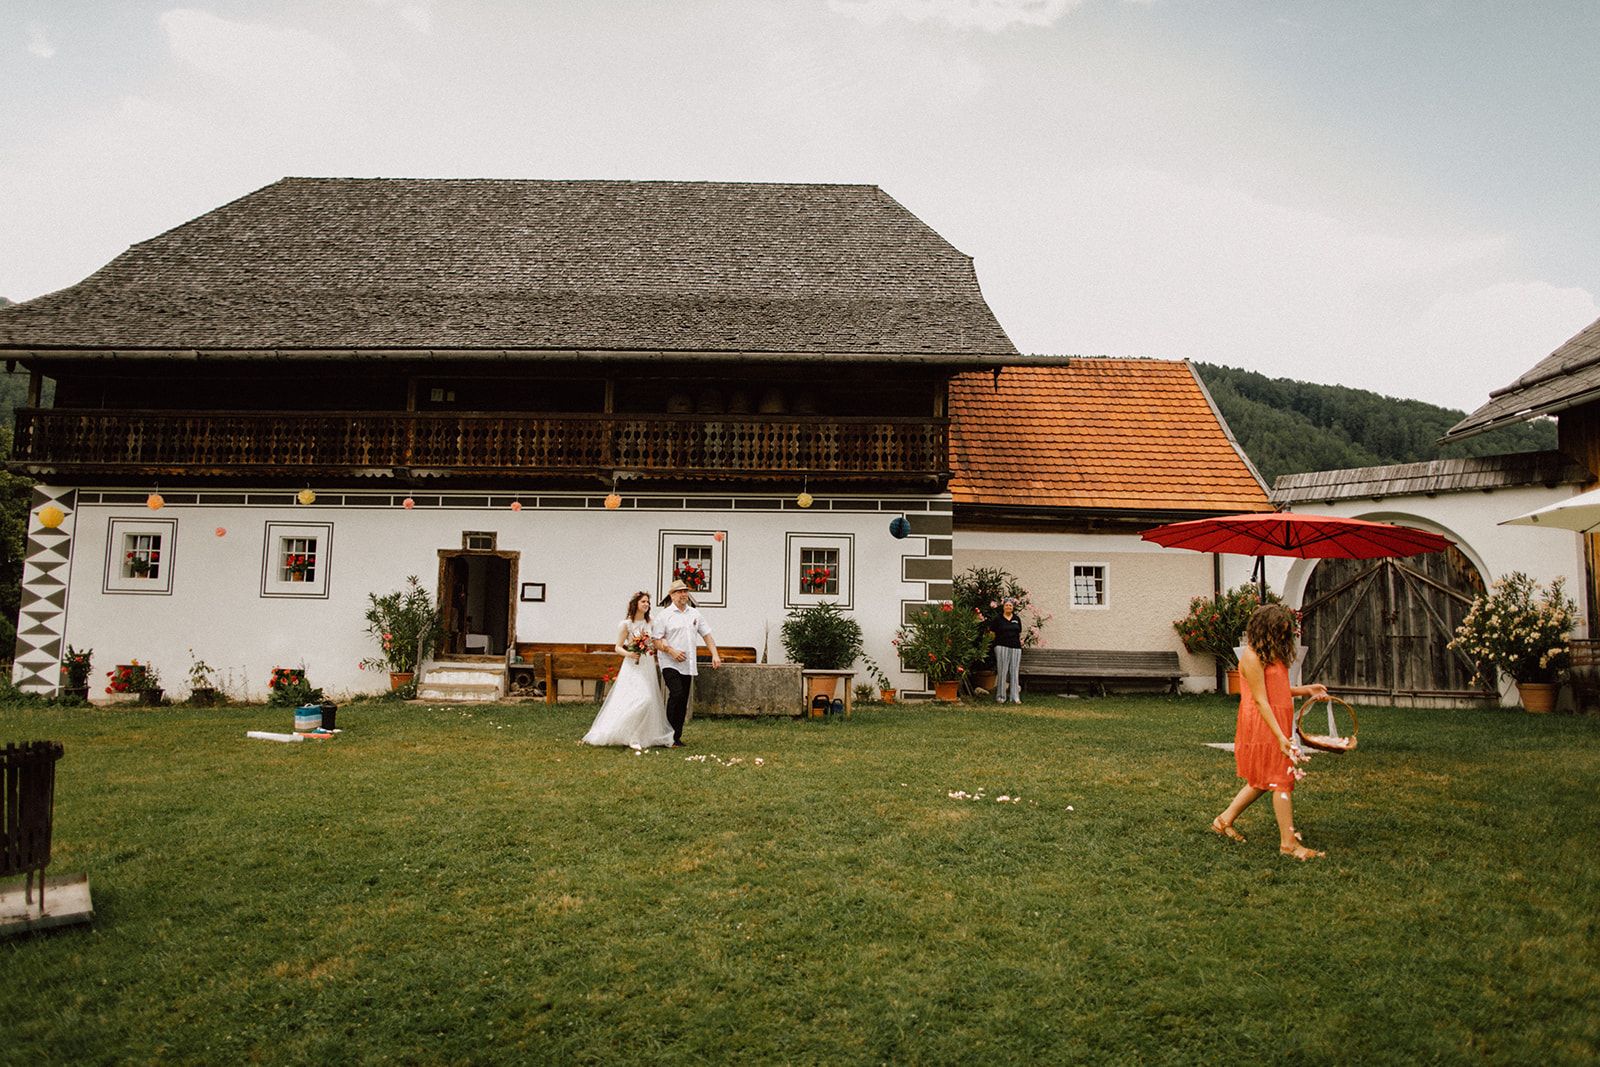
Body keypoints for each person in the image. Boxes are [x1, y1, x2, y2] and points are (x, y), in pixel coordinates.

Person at [1210, 602, 1328, 861]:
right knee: (1281, 779)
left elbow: (1278, 691)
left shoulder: (1273, 655)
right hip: (1264, 724)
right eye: (1278, 631)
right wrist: (1281, 737)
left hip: (1277, 722)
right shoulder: (1252, 658)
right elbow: (1261, 700)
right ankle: (1288, 844)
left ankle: (1223, 820)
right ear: (1264, 629)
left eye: (1285, 633)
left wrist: (1306, 689)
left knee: (1263, 780)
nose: (1282, 637)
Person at [582, 591, 676, 749]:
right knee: (641, 699)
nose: (646, 604)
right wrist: (630, 653)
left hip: (646, 664)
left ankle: (637, 735)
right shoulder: (626, 624)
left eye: (648, 602)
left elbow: (656, 640)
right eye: (643, 602)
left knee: (649, 700)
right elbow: (617, 647)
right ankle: (626, 733)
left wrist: (655, 645)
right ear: (636, 605)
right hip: (632, 665)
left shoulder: (651, 623)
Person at [653, 578, 721, 747]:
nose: (683, 594)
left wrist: (715, 654)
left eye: (685, 591)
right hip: (669, 662)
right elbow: (656, 641)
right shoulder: (664, 616)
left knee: (682, 701)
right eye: (679, 592)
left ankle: (676, 737)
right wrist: (671, 651)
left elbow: (707, 635)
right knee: (676, 694)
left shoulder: (694, 614)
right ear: (671, 595)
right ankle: (666, 735)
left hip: (688, 665)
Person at [990, 597, 1023, 704]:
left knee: (1014, 672)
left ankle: (1015, 697)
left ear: (1013, 607)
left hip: (1016, 647)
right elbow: (991, 633)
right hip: (1001, 646)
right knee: (1002, 671)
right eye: (1006, 605)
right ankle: (1001, 697)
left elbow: (1019, 632)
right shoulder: (998, 619)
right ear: (1003, 607)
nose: (1008, 607)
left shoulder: (1017, 619)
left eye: (1010, 605)